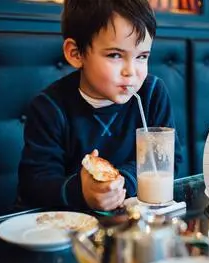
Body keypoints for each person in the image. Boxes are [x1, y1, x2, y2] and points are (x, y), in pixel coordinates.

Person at [18, 0, 183, 212]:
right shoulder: (50, 107)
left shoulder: (152, 93)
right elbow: (34, 184)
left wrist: (121, 183)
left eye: (142, 57)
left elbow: (169, 161)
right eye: (115, 55)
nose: (131, 72)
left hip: (134, 225)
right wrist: (82, 191)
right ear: (76, 54)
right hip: (69, 229)